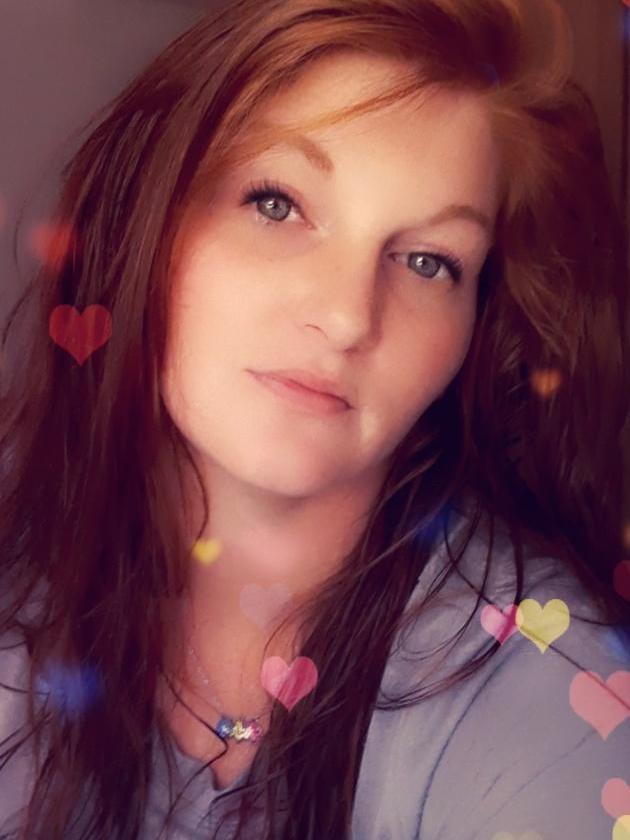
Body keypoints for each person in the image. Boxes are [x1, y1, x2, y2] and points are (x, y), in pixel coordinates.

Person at [0, 0, 628, 837]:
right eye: (276, 204)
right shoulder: (23, 559)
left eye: (428, 261)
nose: (345, 316)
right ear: (149, 215)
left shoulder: (551, 699)